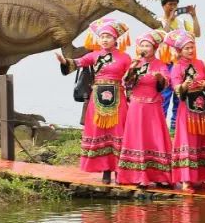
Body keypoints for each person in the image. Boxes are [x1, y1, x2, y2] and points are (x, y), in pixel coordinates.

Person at [56, 17, 132, 184]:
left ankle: (121, 171)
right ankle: (105, 170)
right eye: (102, 36)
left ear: (115, 39)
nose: (104, 39)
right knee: (101, 132)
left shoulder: (125, 58)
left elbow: (131, 80)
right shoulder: (94, 55)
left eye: (108, 37)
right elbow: (77, 63)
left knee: (118, 132)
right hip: (97, 99)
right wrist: (65, 62)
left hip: (118, 99)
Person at [116, 29, 172, 187]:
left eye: (148, 46)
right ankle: (137, 176)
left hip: (153, 107)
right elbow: (126, 83)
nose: (145, 49)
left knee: (155, 138)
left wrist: (160, 78)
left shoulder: (159, 64)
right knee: (136, 138)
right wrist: (131, 69)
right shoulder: (135, 63)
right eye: (142, 46)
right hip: (136, 107)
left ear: (154, 48)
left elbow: (165, 84)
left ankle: (161, 176)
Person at [167, 29, 205, 190]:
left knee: (203, 141)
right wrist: (184, 85)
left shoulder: (200, 63)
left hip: (202, 108)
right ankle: (186, 179)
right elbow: (176, 89)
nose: (190, 50)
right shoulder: (177, 67)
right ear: (179, 50)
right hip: (186, 109)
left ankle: (202, 177)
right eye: (187, 48)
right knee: (188, 141)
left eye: (192, 47)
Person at [158, 0, 201, 131]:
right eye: (169, 4)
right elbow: (159, 39)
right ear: (163, 6)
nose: (173, 7)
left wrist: (193, 16)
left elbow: (197, 34)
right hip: (166, 63)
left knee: (180, 95)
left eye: (175, 4)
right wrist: (169, 21)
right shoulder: (157, 21)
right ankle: (161, 127)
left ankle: (174, 128)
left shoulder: (182, 22)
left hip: (182, 64)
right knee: (164, 96)